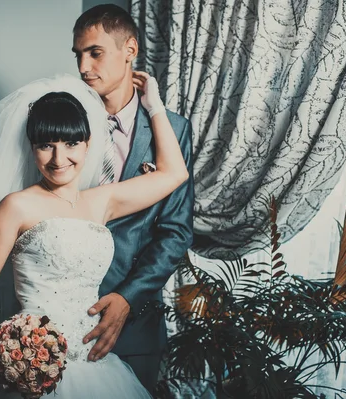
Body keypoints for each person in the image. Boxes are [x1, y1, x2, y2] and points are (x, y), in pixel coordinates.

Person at [0, 71, 187, 399]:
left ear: (88, 144)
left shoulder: (102, 201)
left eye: (71, 143)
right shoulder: (16, 206)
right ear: (32, 149)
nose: (59, 159)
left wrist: (154, 106)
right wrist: (3, 354)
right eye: (46, 145)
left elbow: (175, 173)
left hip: (96, 369)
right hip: (34, 365)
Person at [72, 5, 194, 393]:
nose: (83, 68)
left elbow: (176, 232)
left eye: (95, 52)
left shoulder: (173, 130)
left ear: (130, 49)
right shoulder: (65, 124)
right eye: (77, 55)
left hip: (135, 327)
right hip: (62, 314)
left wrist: (126, 299)